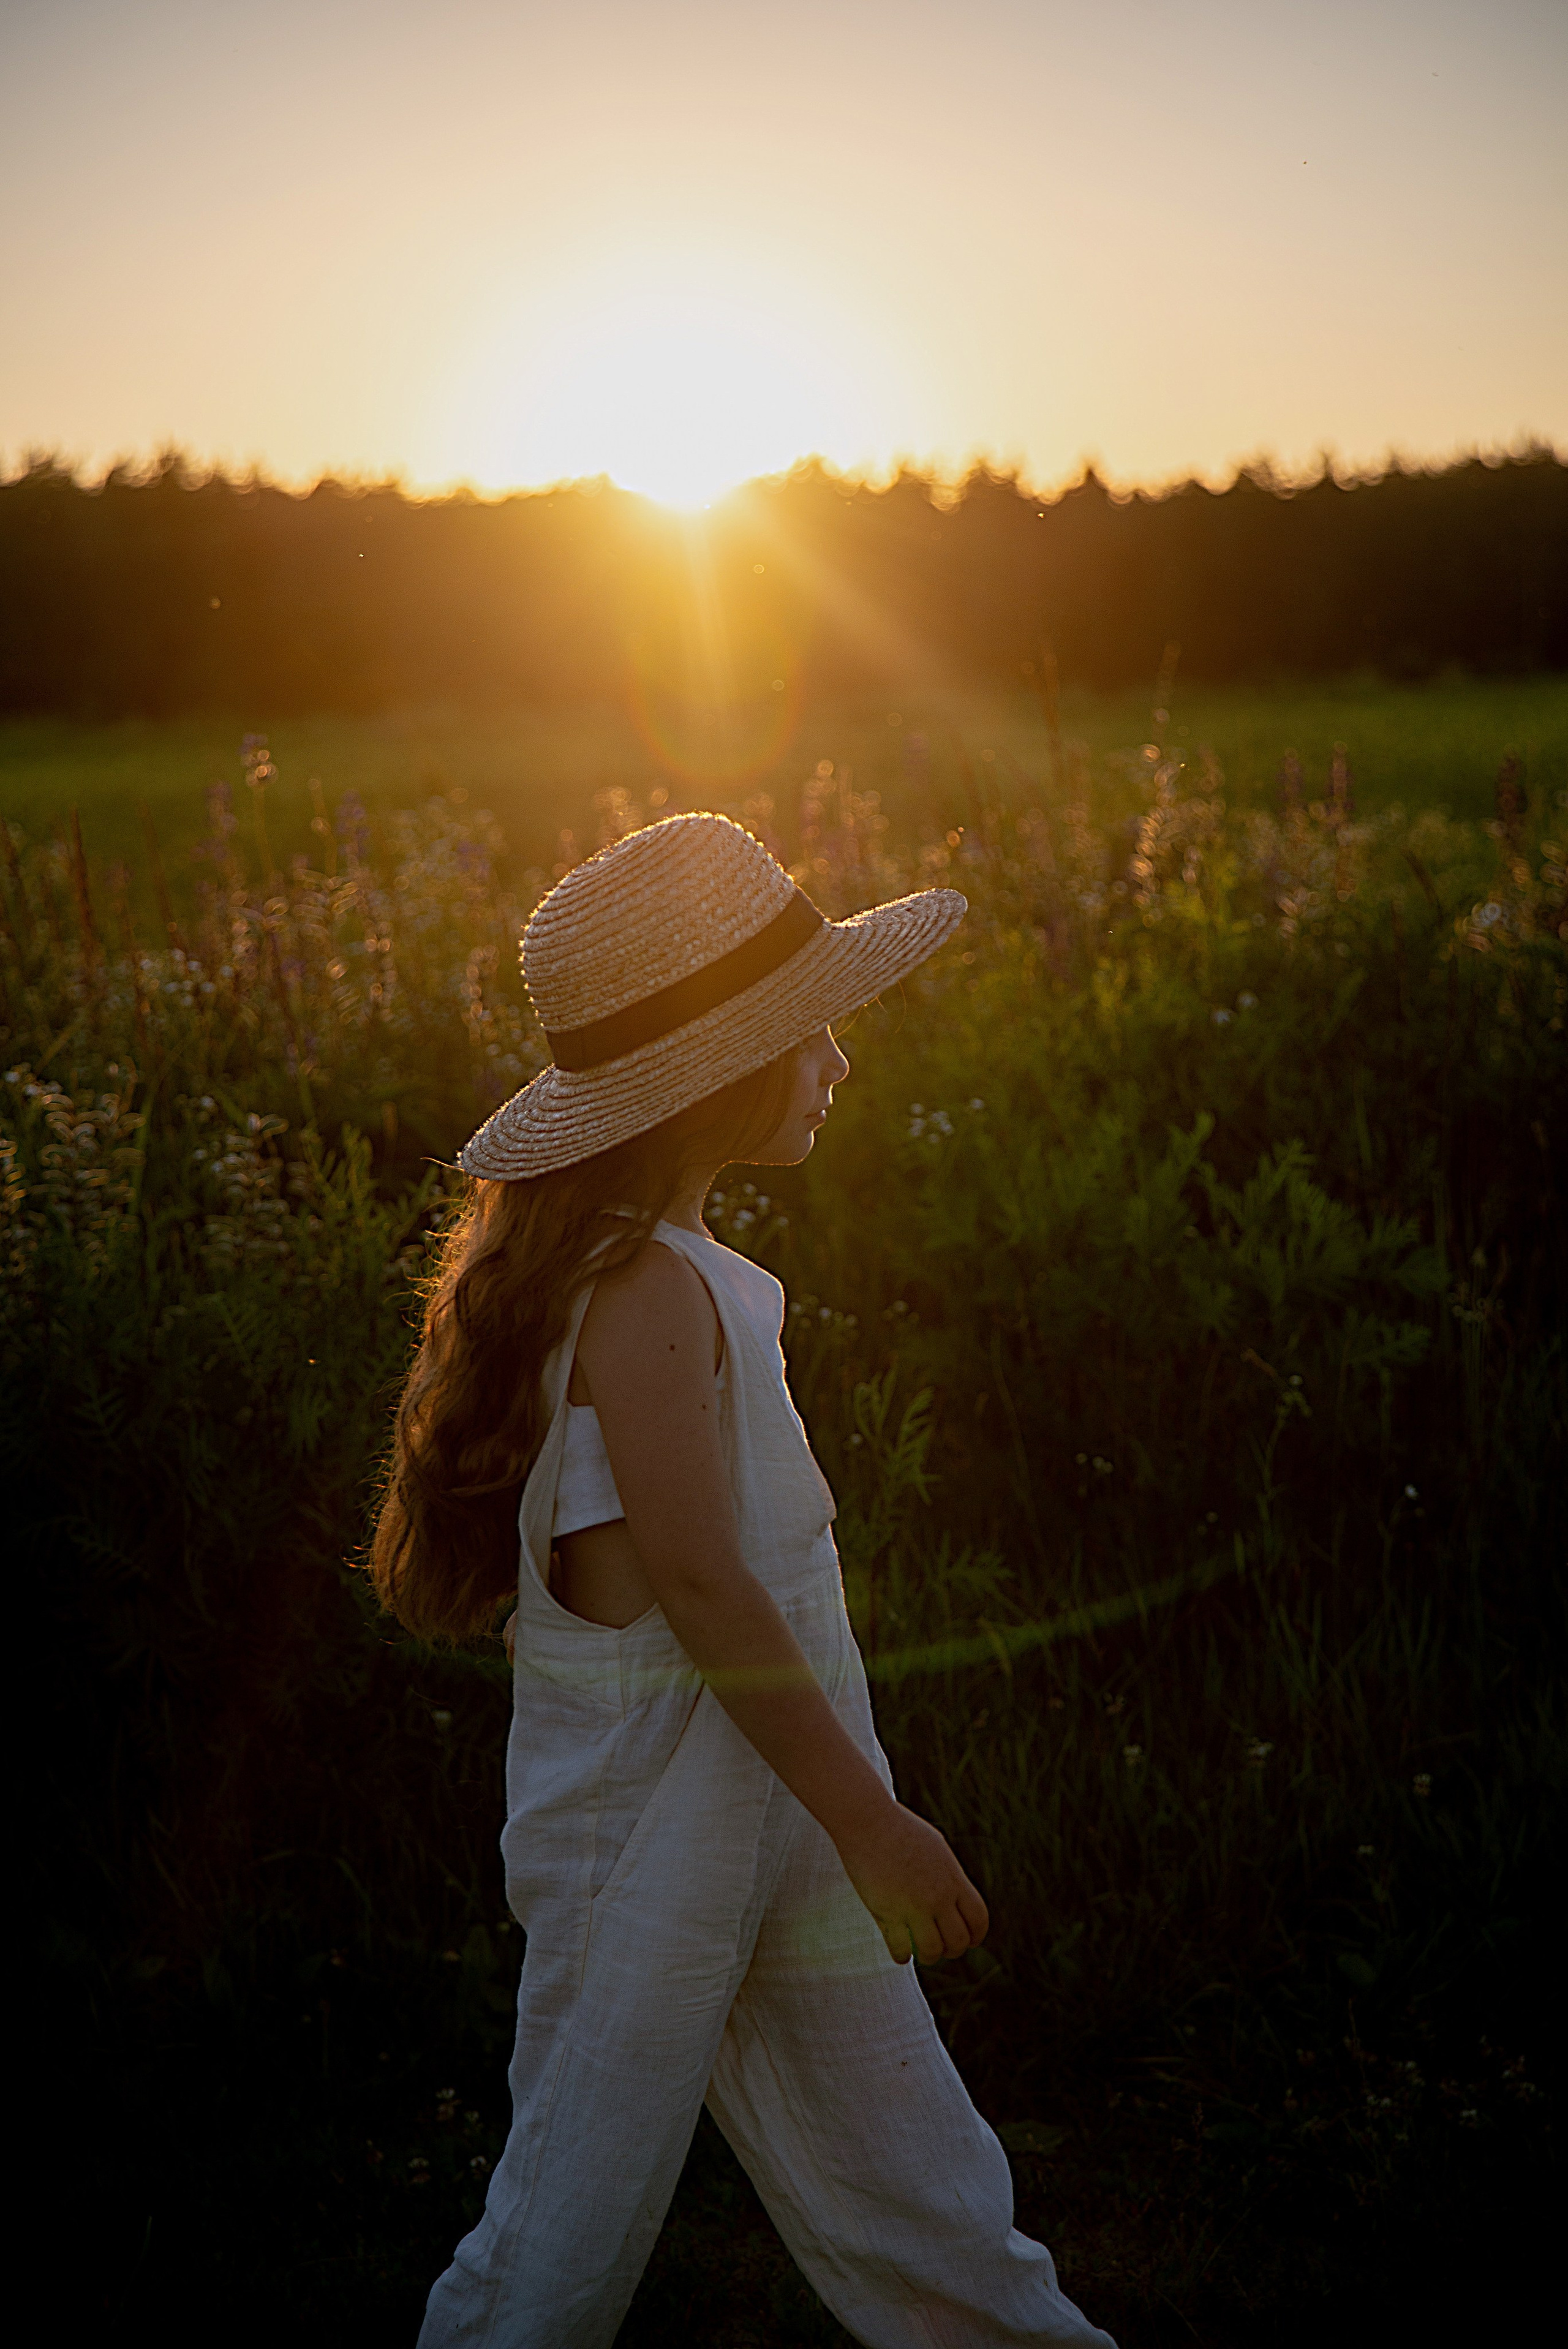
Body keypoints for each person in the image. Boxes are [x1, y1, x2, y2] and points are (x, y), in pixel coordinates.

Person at [371, 813, 1115, 2348]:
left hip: (765, 1818)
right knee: (557, 2243)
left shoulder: (662, 1276)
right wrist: (875, 1821)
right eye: (811, 1030)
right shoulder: (646, 1289)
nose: (839, 1061)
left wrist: (826, 1821)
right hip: (650, 1846)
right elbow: (704, 1589)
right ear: (716, 1071)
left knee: (924, 2192)